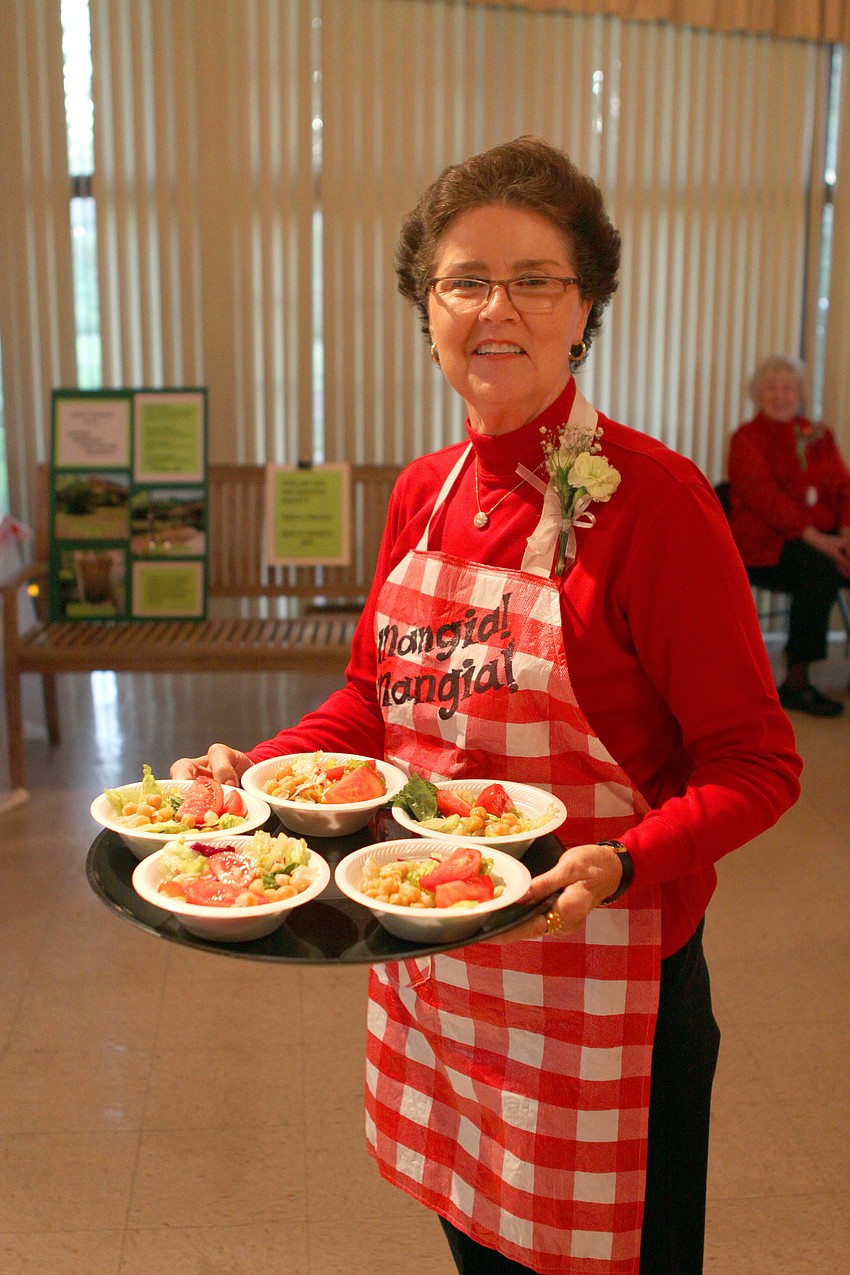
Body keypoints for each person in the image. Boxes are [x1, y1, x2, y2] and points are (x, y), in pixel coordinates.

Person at [171, 138, 801, 1275]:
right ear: (427, 308)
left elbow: (756, 763)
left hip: (609, 990)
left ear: (586, 305)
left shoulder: (654, 504)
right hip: (445, 978)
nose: (495, 307)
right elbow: (372, 704)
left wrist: (621, 860)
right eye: (465, 280)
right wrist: (251, 774)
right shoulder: (424, 491)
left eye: (536, 279)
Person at [727, 354, 850, 717]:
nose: (780, 395)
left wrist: (844, 533)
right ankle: (796, 682)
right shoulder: (747, 439)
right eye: (772, 387)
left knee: (824, 562)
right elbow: (767, 501)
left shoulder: (820, 435)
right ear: (758, 394)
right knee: (819, 571)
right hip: (766, 543)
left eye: (788, 387)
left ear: (800, 394)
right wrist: (824, 542)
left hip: (825, 536)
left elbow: (843, 487)